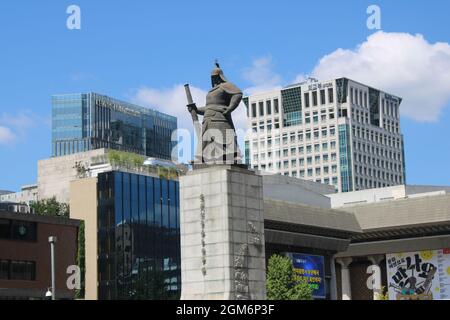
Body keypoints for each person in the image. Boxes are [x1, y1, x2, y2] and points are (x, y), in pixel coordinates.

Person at [187, 63, 243, 164]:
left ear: (220, 76)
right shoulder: (211, 91)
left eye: (215, 77)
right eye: (212, 77)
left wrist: (231, 107)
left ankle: (229, 156)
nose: (213, 79)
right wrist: (195, 109)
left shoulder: (225, 86)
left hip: (219, 117)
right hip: (207, 118)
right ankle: (202, 158)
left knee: (223, 137)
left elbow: (238, 93)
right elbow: (208, 108)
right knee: (205, 140)